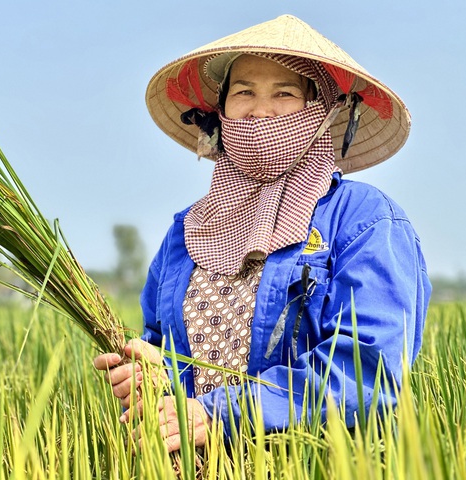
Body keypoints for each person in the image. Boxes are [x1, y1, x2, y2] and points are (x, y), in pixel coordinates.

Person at [93, 14, 431, 452]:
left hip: (317, 462)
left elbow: (367, 369)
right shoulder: (186, 232)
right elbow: (168, 354)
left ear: (320, 112)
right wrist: (152, 375)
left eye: (285, 93)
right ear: (222, 109)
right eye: (243, 92)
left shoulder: (364, 220)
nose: (260, 110)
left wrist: (220, 413)